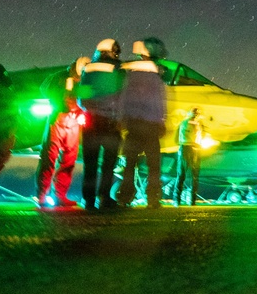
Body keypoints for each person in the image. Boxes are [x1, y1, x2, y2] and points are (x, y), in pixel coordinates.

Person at [116, 40, 167, 209]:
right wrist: (162, 122)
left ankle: (125, 198)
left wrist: (122, 119)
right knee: (154, 165)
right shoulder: (155, 77)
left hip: (133, 125)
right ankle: (153, 199)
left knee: (130, 164)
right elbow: (159, 102)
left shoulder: (130, 76)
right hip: (151, 126)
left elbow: (123, 99)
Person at [77, 38, 124, 210]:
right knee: (108, 164)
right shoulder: (119, 70)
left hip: (91, 122)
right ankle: (104, 198)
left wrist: (91, 108)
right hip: (111, 122)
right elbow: (122, 97)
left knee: (90, 164)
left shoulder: (88, 69)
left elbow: (81, 99)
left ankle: (88, 200)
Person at [35, 56, 90, 207]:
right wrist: (59, 101)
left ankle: (59, 196)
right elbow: (46, 90)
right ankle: (41, 195)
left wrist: (80, 112)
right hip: (58, 120)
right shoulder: (59, 77)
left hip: (73, 123)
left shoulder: (84, 80)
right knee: (49, 158)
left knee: (69, 160)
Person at [172, 108, 204, 206]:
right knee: (192, 176)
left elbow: (177, 138)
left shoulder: (186, 123)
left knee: (183, 175)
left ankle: (178, 200)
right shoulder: (194, 123)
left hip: (188, 148)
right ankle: (190, 201)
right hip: (190, 148)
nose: (196, 116)